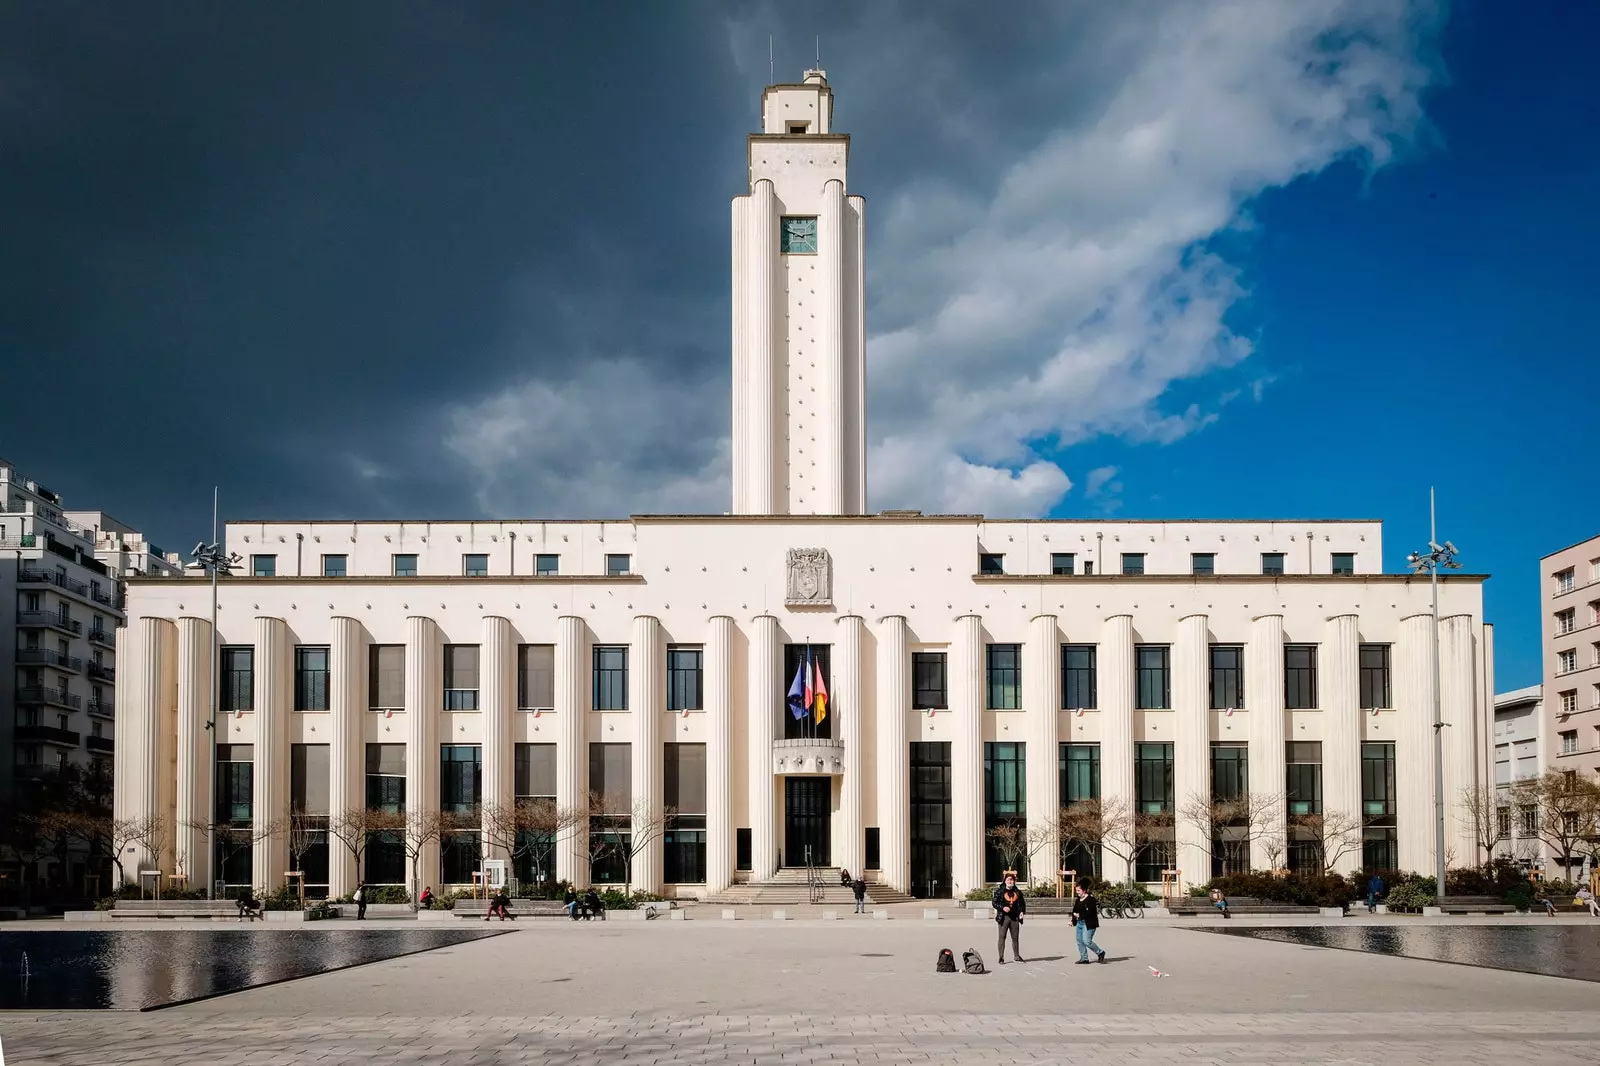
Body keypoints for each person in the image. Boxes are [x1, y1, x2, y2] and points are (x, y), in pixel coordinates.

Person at [991, 872, 1026, 964]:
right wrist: (1002, 907)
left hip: (1015, 918)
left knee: (1015, 938)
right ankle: (1001, 957)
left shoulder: (1018, 892)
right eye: (1008, 880)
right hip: (1003, 917)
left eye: (1012, 880)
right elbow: (994, 903)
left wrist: (1022, 912)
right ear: (1005, 881)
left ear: (1014, 881)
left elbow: (1022, 904)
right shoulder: (999, 891)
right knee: (1002, 937)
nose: (1010, 881)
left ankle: (1016, 956)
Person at [1070, 883, 1105, 965]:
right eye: (1076, 890)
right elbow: (1075, 910)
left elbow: (1091, 912)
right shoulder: (1078, 899)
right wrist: (1073, 921)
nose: (1077, 892)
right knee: (1079, 941)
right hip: (1079, 923)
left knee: (1086, 941)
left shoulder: (1091, 899)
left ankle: (1100, 952)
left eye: (1078, 890)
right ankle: (1084, 958)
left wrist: (1080, 915)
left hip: (1088, 923)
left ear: (1084, 890)